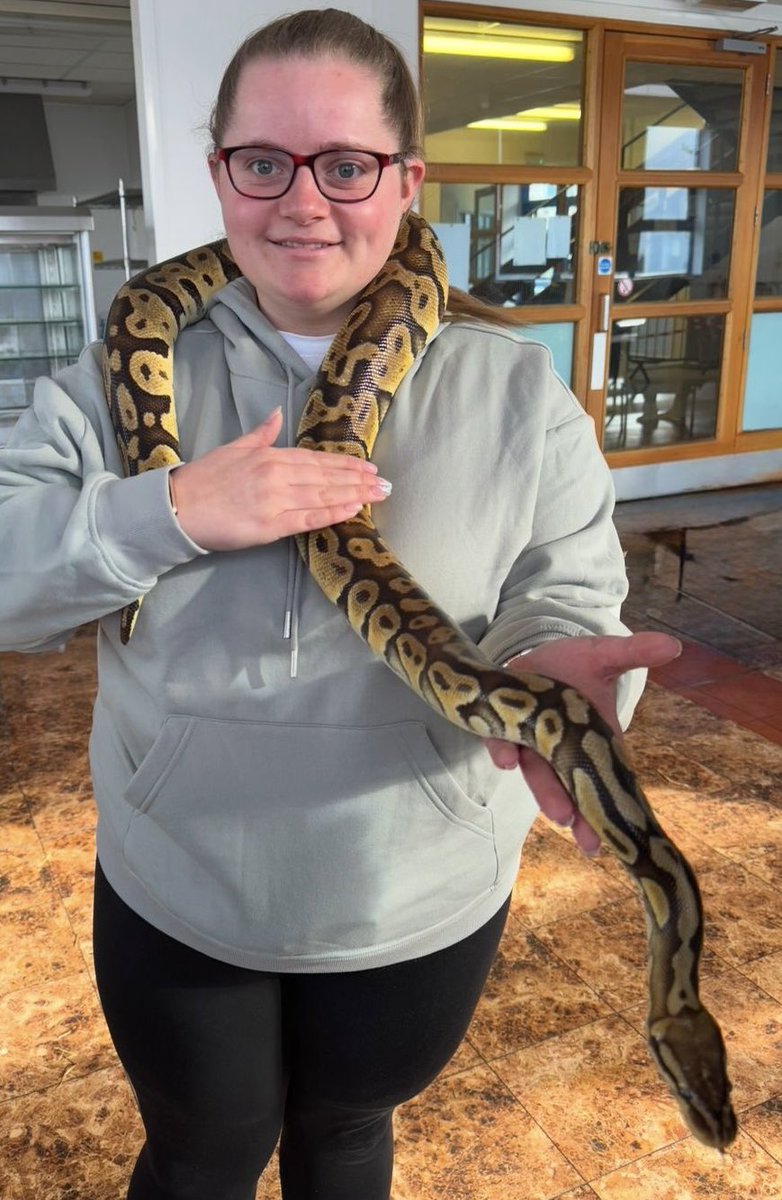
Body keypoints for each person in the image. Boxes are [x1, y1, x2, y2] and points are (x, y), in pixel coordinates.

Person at [0, 9, 680, 1199]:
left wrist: (557, 665)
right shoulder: (113, 378)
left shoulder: (517, 390)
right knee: (201, 1154)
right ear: (220, 172)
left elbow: (562, 590)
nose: (303, 203)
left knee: (351, 1132)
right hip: (181, 882)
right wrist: (170, 511)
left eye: (346, 164)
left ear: (406, 180)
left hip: (409, 888)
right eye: (262, 161)